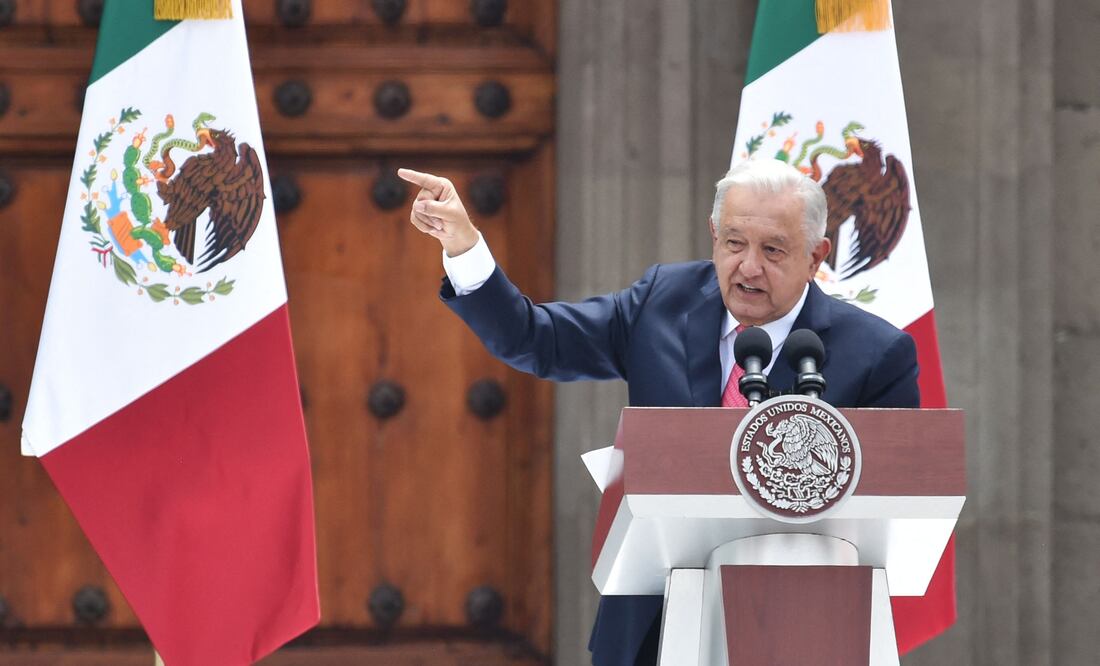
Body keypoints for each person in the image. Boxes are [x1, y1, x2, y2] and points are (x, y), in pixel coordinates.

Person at [397, 158, 919, 666]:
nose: (749, 267)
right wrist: (463, 247)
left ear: (816, 256)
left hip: (802, 625)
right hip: (654, 624)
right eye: (734, 243)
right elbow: (536, 339)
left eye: (774, 250)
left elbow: (895, 509)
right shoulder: (662, 302)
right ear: (714, 234)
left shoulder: (874, 354)